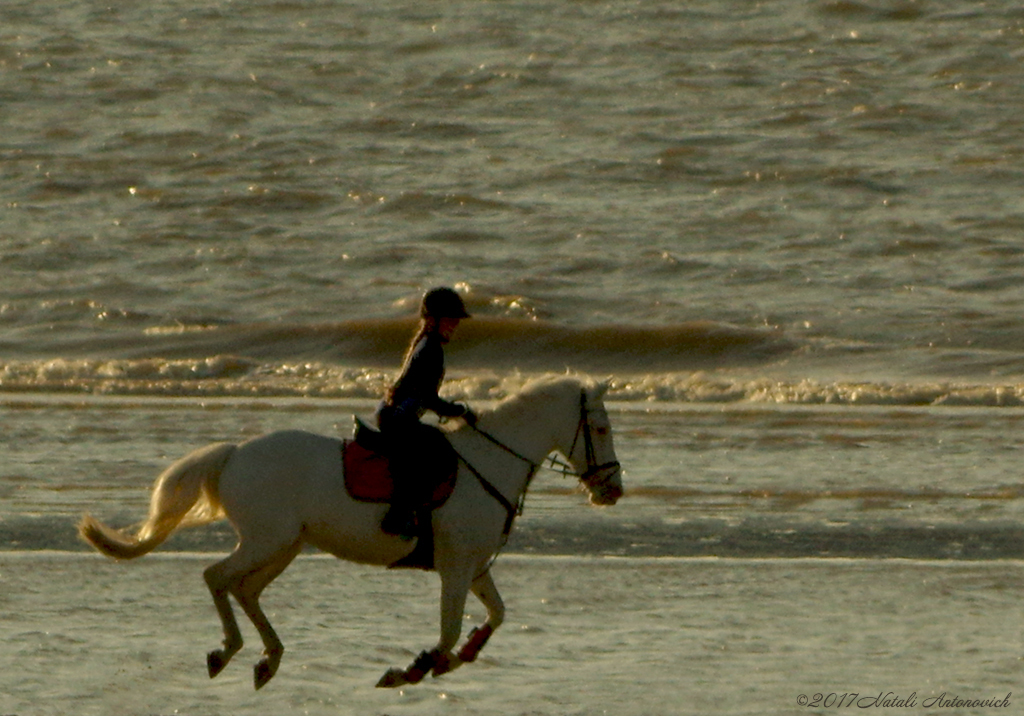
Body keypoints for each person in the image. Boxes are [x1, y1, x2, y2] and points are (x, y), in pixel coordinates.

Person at [376, 287, 475, 539]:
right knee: (434, 455)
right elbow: (428, 398)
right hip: (398, 419)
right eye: (450, 319)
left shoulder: (428, 344)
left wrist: (454, 410)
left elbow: (424, 396)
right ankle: (398, 517)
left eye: (456, 320)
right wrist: (459, 411)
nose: (454, 325)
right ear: (432, 320)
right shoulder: (430, 349)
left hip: (398, 416)